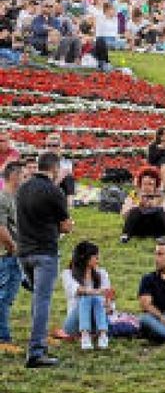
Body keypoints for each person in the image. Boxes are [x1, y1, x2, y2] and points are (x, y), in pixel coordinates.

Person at [16, 151, 75, 368]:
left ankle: (37, 341)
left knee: (37, 299)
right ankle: (36, 352)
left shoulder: (22, 189)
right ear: (55, 168)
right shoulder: (53, 191)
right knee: (42, 301)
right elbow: (65, 225)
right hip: (45, 253)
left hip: (24, 252)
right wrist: (69, 226)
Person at [61, 241, 112, 350]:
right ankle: (85, 334)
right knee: (86, 296)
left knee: (95, 298)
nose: (98, 257)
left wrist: (108, 305)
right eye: (95, 255)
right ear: (85, 257)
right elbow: (78, 290)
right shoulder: (68, 274)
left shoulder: (102, 274)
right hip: (75, 323)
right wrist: (97, 292)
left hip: (99, 319)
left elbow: (108, 300)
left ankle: (102, 334)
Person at [0, 161, 25, 354]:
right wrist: (13, 248)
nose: (24, 179)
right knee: (4, 297)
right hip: (8, 254)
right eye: (22, 175)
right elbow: (1, 228)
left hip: (12, 253)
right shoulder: (3, 199)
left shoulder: (12, 198)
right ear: (14, 176)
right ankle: (3, 337)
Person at [119, 167, 165, 242]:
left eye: (150, 184)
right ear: (140, 184)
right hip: (139, 227)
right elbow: (124, 214)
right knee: (135, 210)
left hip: (156, 227)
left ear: (155, 185)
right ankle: (125, 235)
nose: (147, 187)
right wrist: (138, 205)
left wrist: (156, 206)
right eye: (145, 184)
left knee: (160, 211)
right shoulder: (134, 195)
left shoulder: (161, 196)